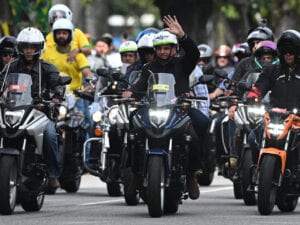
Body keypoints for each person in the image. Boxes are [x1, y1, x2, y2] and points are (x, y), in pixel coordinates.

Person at [123, 15, 204, 200]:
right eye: (160, 48)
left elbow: (194, 54)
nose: (163, 52)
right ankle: (135, 174)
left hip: (179, 110)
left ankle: (191, 175)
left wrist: (183, 36)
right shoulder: (147, 68)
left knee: (200, 125)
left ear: (174, 49)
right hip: (152, 110)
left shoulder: (183, 64)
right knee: (132, 129)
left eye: (167, 48)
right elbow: (138, 87)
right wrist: (131, 93)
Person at [0, 27, 62, 190]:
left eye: (32, 47)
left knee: (49, 133)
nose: (29, 50)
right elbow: (1, 83)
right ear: (20, 48)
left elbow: (57, 85)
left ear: (38, 48)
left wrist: (56, 95)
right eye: (26, 46)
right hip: (12, 110)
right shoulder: (10, 68)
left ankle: (53, 174)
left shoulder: (48, 68)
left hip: (39, 112)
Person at [248, 29, 300, 163]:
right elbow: (260, 86)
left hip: (297, 121)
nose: (288, 55)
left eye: (291, 52)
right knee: (252, 138)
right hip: (273, 118)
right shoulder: (272, 70)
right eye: (285, 52)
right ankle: (255, 173)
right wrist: (253, 96)